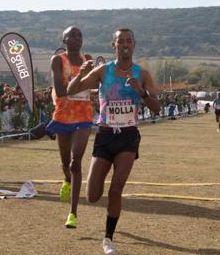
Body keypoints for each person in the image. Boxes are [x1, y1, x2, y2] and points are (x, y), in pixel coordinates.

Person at [67, 28, 160, 255]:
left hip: (128, 136)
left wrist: (141, 92)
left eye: (129, 41)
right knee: (93, 196)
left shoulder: (143, 74)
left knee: (117, 188)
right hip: (105, 135)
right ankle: (106, 208)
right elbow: (70, 90)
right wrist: (81, 73)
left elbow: (157, 108)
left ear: (134, 45)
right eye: (121, 41)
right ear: (114, 45)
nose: (125, 45)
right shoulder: (103, 71)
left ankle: (108, 239)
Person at [46, 26, 94, 229]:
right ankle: (66, 179)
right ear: (64, 40)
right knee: (66, 163)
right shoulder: (58, 60)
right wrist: (81, 78)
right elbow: (60, 90)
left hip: (83, 115)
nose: (77, 38)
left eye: (80, 35)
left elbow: (94, 85)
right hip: (64, 115)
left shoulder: (88, 59)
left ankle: (73, 213)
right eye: (72, 36)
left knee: (76, 162)